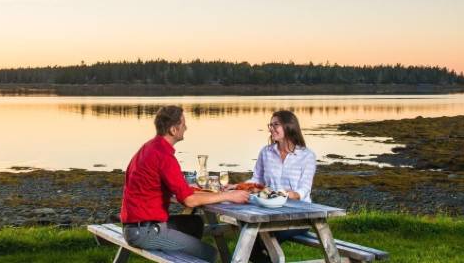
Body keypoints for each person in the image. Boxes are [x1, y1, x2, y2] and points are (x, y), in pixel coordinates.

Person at [120, 105, 249, 263]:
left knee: (194, 223)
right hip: (145, 232)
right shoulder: (164, 156)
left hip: (135, 226)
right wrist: (229, 196)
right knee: (210, 254)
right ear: (173, 130)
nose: (186, 128)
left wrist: (213, 193)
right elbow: (189, 200)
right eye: (183, 124)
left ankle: (185, 255)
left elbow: (181, 191)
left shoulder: (149, 147)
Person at [244, 110, 317, 262]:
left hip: (300, 215)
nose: (271, 129)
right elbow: (257, 179)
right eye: (270, 125)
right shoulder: (266, 152)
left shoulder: (307, 156)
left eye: (275, 125)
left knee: (255, 238)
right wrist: (238, 186)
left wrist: (288, 195)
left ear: (289, 126)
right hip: (269, 212)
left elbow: (304, 190)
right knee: (249, 235)